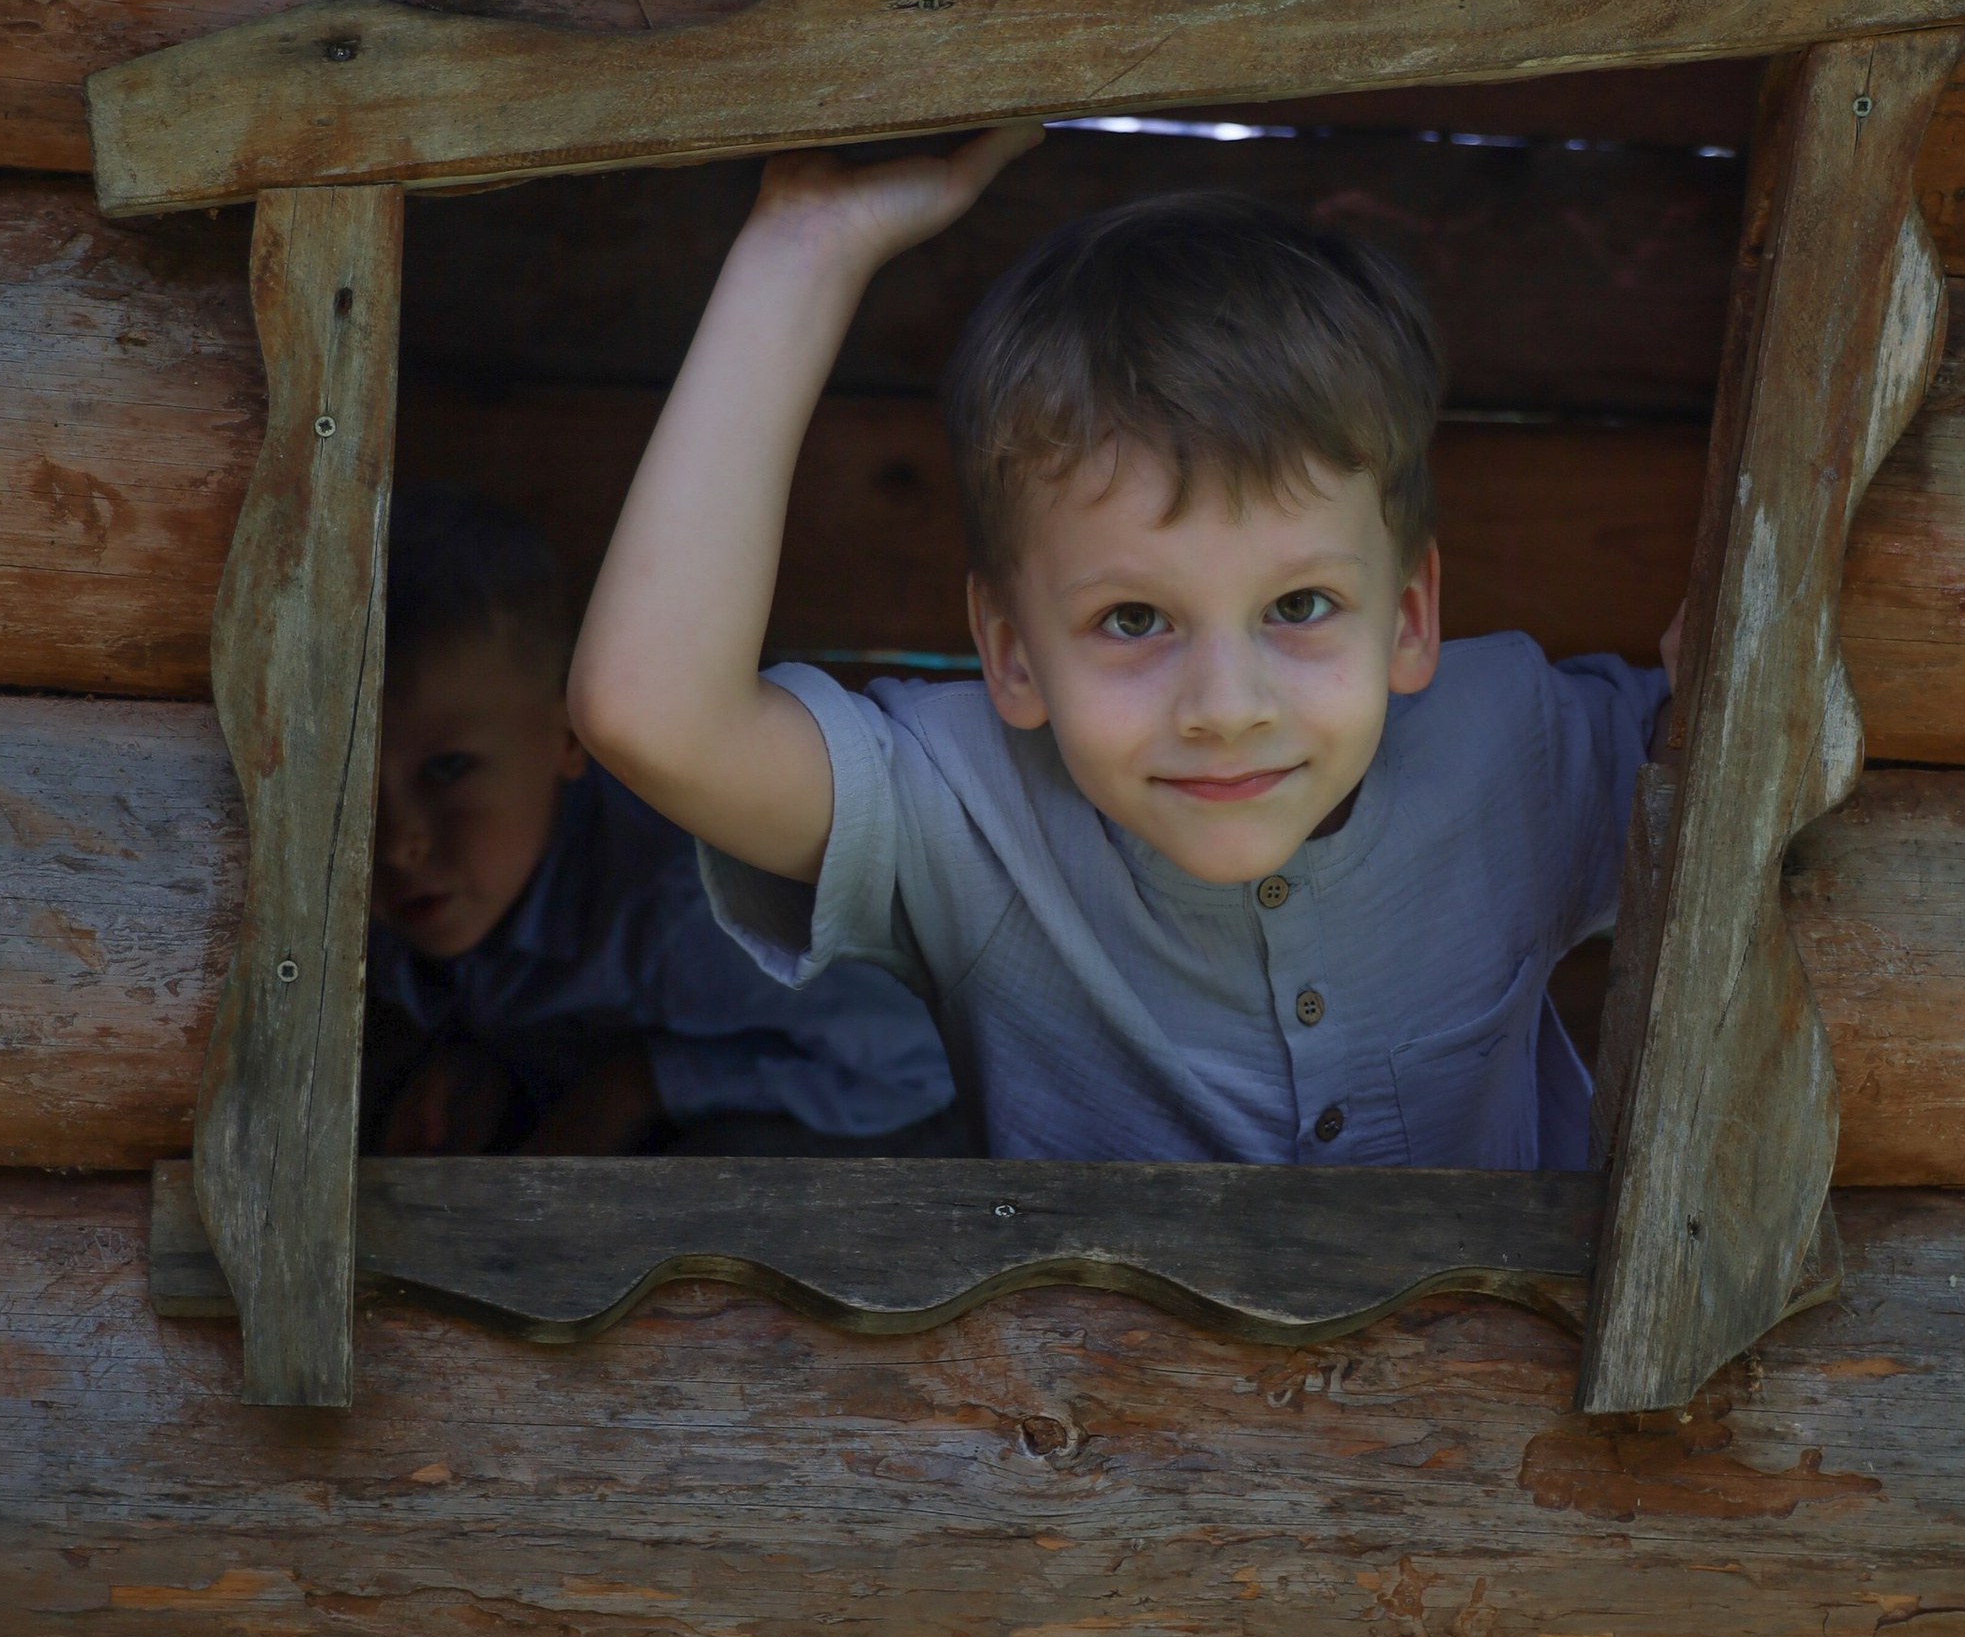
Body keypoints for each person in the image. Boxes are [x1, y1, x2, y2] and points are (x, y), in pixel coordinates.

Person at [570, 138, 1676, 1168]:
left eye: (1298, 603)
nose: (1225, 707)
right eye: (1134, 621)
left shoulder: (1520, 746)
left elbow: (1742, 738)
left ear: (1409, 617)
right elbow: (648, 708)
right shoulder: (970, 821)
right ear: (1008, 653)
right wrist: (806, 246)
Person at [366, 483, 961, 1158]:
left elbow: (920, 1063)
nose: (394, 842)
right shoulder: (389, 888)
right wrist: (470, 1058)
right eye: (353, 785)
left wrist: (638, 1086)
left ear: (570, 738)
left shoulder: (686, 913)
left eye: (447, 770)